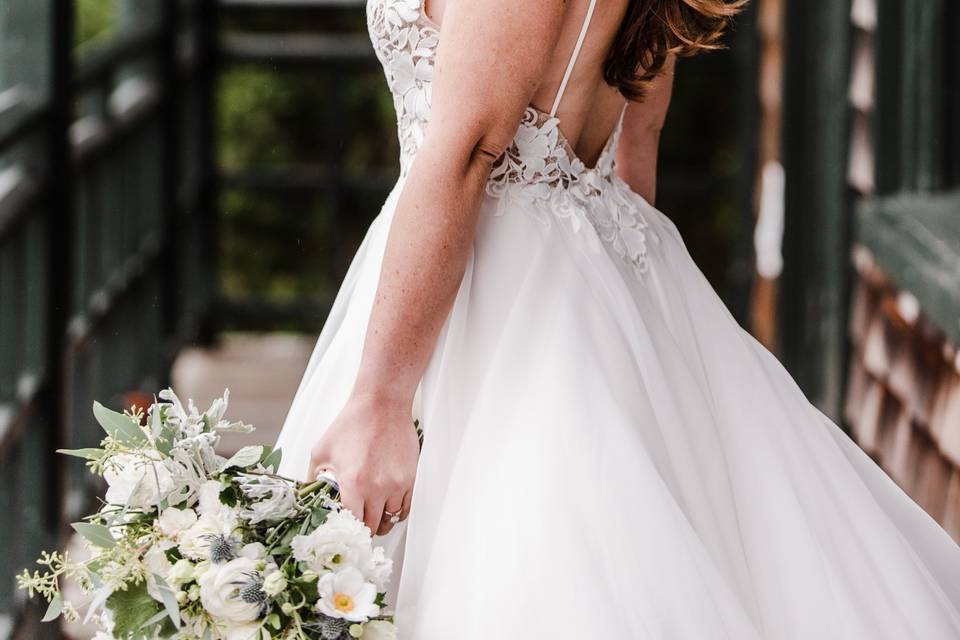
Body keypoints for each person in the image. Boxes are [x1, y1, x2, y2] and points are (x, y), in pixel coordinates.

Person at [276, 0, 960, 636]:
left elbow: (469, 148)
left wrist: (383, 396)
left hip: (488, 285)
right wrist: (627, 324)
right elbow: (639, 139)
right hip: (584, 253)